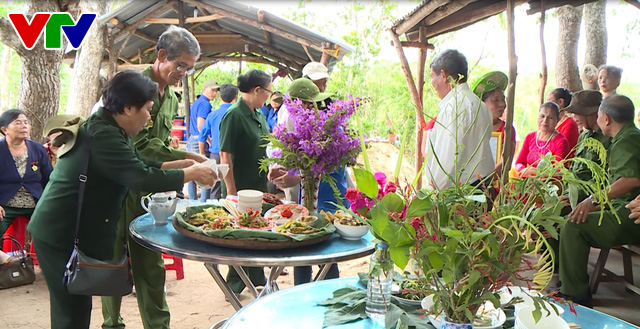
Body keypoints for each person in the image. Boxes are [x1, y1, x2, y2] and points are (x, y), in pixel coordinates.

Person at [27, 70, 216, 329]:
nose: (150, 117)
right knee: (70, 310)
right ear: (127, 108)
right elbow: (139, 176)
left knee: (77, 304)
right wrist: (189, 173)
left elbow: (134, 162)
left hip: (69, 227)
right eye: (147, 109)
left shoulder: (108, 128)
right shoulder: (102, 134)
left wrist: (180, 162)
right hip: (58, 230)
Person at [101, 26, 209, 329]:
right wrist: (188, 164)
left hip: (150, 191)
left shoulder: (171, 97)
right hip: (119, 187)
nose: (184, 73)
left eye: (190, 68)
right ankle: (112, 323)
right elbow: (140, 145)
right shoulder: (133, 88)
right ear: (162, 56)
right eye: (181, 66)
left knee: (151, 260)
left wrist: (189, 157)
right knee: (113, 261)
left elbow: (160, 143)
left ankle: (157, 325)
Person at [560, 95, 640, 308]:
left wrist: (592, 201)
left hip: (630, 213)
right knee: (569, 217)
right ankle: (568, 284)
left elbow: (630, 179)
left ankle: (575, 296)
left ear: (605, 118)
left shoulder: (627, 139)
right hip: (621, 208)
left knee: (574, 225)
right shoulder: (626, 136)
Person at [267, 78, 347, 285]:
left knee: (326, 255)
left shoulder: (328, 131)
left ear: (306, 104)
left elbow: (322, 170)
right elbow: (300, 163)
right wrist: (282, 168)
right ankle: (300, 292)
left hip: (327, 201)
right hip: (307, 201)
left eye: (294, 106)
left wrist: (292, 178)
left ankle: (327, 294)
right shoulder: (303, 128)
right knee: (301, 248)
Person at [219, 69, 272, 294]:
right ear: (257, 90)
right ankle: (235, 283)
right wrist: (231, 190)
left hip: (258, 185)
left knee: (257, 234)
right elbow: (225, 155)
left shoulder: (258, 115)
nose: (269, 96)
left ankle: (257, 279)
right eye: (268, 91)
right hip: (239, 187)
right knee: (239, 236)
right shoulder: (234, 115)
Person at [424, 49, 494, 189]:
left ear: (443, 75)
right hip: (483, 188)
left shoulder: (453, 109)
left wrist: (434, 193)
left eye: (432, 76)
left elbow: (447, 159)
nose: (431, 82)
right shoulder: (482, 107)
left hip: (460, 195)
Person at [0, 109, 52, 236]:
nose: (24, 126)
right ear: (4, 129)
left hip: (36, 205)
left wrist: (49, 204)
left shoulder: (37, 149)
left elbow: (49, 179)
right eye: (18, 122)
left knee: (51, 232)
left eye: (26, 122)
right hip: (5, 206)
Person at [564, 90, 611, 202]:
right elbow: (574, 170)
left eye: (577, 113)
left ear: (591, 113)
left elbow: (604, 180)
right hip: (570, 193)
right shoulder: (583, 136)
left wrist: (573, 196)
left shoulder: (608, 138)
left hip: (590, 198)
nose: (574, 117)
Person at [198, 84, 238, 201]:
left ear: (220, 97)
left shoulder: (213, 115)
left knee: (214, 185)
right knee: (232, 184)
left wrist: (202, 153)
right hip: (232, 155)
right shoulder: (237, 114)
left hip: (215, 154)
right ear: (236, 97)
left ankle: (214, 209)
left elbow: (202, 134)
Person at [471, 71, 516, 175]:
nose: (502, 104)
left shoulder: (507, 129)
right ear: (482, 103)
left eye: (503, 99)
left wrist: (483, 180)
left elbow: (505, 163)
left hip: (496, 187)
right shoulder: (473, 127)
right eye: (495, 100)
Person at [187, 80, 219, 200]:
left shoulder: (196, 102)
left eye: (216, 91)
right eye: (212, 90)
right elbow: (201, 125)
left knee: (191, 173)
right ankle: (203, 203)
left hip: (191, 139)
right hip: (199, 140)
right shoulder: (205, 104)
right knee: (206, 172)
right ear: (204, 89)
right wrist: (208, 140)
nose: (214, 93)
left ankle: (192, 201)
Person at [515, 102, 570, 173]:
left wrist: (539, 174)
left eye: (550, 118)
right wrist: (524, 170)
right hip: (527, 177)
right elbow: (519, 163)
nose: (545, 121)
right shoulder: (530, 137)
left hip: (548, 182)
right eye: (542, 116)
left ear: (557, 120)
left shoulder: (561, 142)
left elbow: (558, 171)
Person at [547, 88, 579, 156]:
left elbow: (562, 150)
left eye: (549, 101)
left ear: (560, 102)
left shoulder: (569, 124)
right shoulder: (550, 123)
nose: (547, 105)